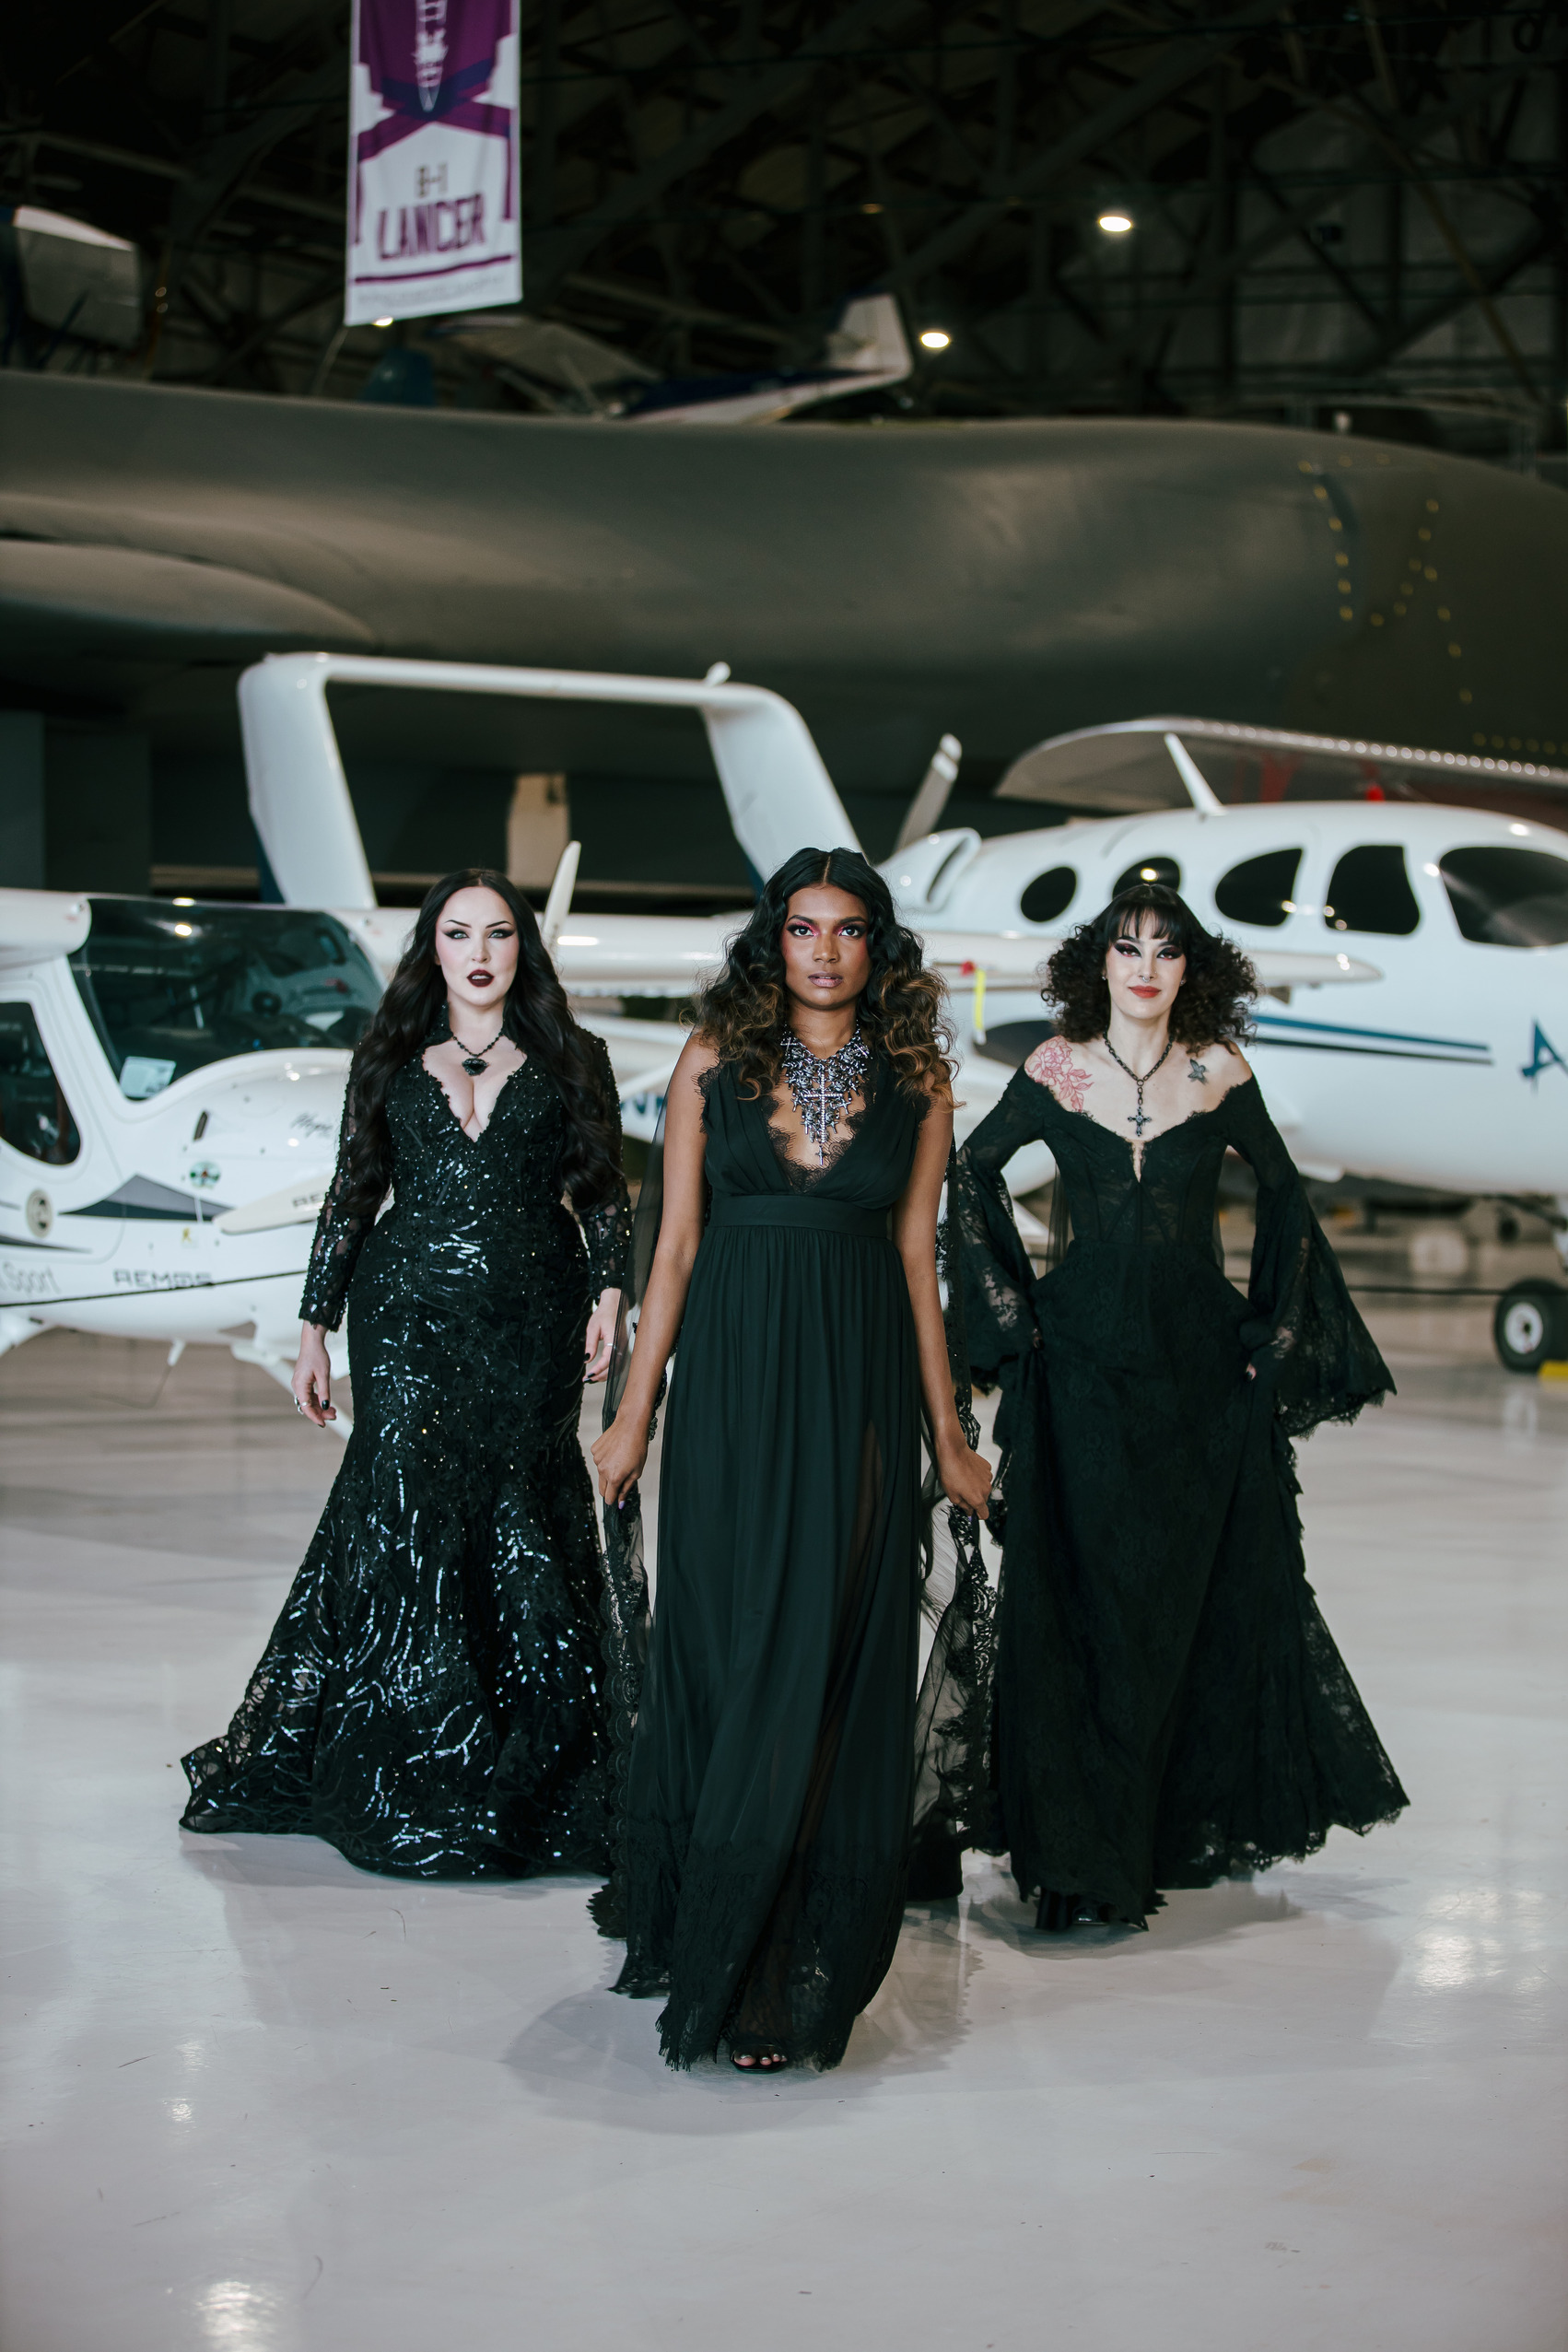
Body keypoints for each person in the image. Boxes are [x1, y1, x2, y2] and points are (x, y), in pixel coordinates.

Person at [591, 848, 993, 2073]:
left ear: (878, 945)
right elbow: (670, 1251)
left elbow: (918, 1263)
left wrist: (949, 1437)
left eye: (848, 929)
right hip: (729, 1386)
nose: (824, 950)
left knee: (824, 1656)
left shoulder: (919, 1079)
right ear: (773, 940)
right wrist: (631, 1416)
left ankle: (779, 1970)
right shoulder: (710, 1061)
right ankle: (708, 1921)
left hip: (858, 1391)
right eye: (802, 927)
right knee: (727, 1646)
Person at [950, 882, 1408, 1934]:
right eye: (1128, 948)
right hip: (1079, 1374)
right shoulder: (1056, 1068)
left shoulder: (1219, 1072)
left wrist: (1271, 1337)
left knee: (1174, 1605)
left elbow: (1286, 1196)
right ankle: (1077, 1854)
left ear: (1189, 969)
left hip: (1197, 1383)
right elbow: (972, 1175)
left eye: (1165, 950)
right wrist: (1014, 1320)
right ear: (1100, 964)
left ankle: (1152, 1828)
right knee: (1079, 1602)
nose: (1145, 968)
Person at [181, 869, 631, 1879]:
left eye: (499, 933)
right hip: (406, 1317)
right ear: (433, 946)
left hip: (531, 1316)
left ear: (522, 947)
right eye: (458, 933)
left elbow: (604, 1190)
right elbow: (352, 1192)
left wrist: (611, 1291)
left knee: (518, 1498)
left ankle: (530, 1753)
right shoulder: (386, 1054)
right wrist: (314, 1325)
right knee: (403, 1502)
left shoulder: (575, 1056)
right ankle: (406, 1755)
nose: (479, 953)